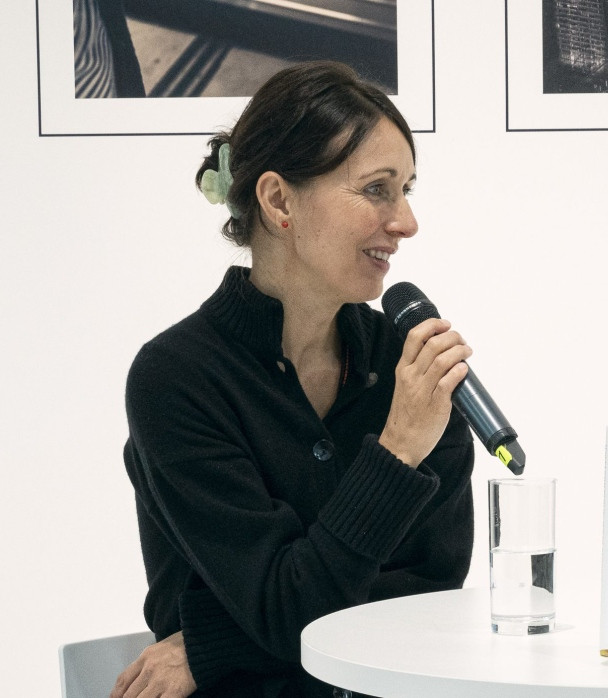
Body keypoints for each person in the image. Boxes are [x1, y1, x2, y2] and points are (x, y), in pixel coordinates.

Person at [113, 60, 475, 697]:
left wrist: (210, 643)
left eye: (407, 190)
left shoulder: (408, 364)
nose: (406, 222)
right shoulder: (178, 379)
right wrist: (395, 453)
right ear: (279, 200)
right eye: (376, 189)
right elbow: (287, 615)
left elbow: (431, 598)